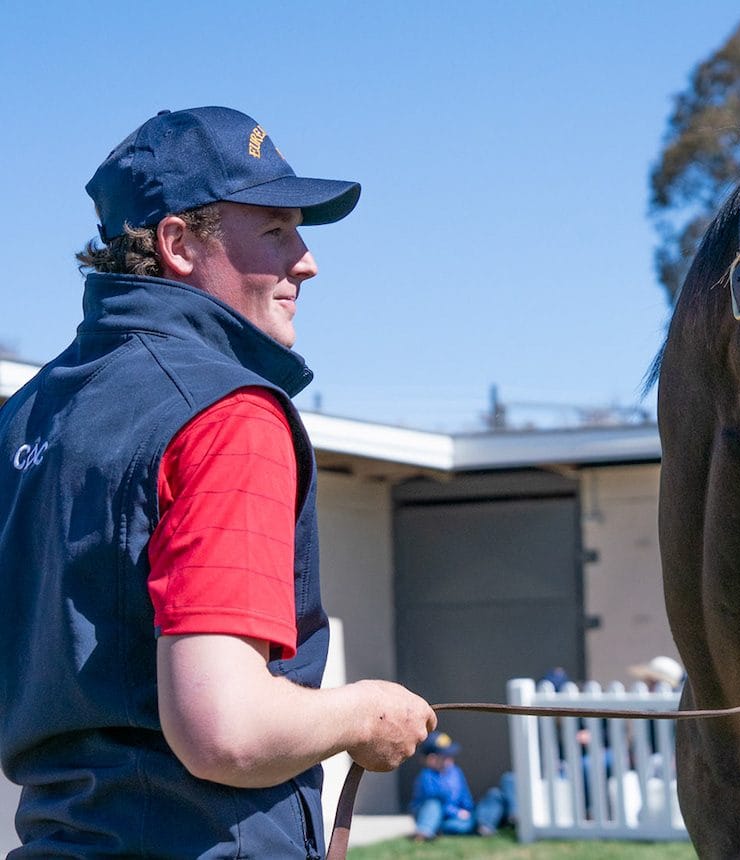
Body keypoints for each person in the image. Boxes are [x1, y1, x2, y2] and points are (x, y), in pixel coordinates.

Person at [0, 107, 435, 857]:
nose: (307, 260)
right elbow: (225, 733)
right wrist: (366, 713)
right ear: (177, 244)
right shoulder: (225, 415)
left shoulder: (26, 417)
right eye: (274, 230)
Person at [409, 731, 515, 839]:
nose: (450, 759)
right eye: (445, 756)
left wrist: (468, 810)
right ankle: (424, 832)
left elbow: (465, 796)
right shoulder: (427, 776)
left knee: (494, 794)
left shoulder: (455, 772)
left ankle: (484, 826)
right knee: (433, 804)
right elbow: (437, 803)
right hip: (443, 819)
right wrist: (456, 813)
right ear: (432, 759)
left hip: (463, 817)